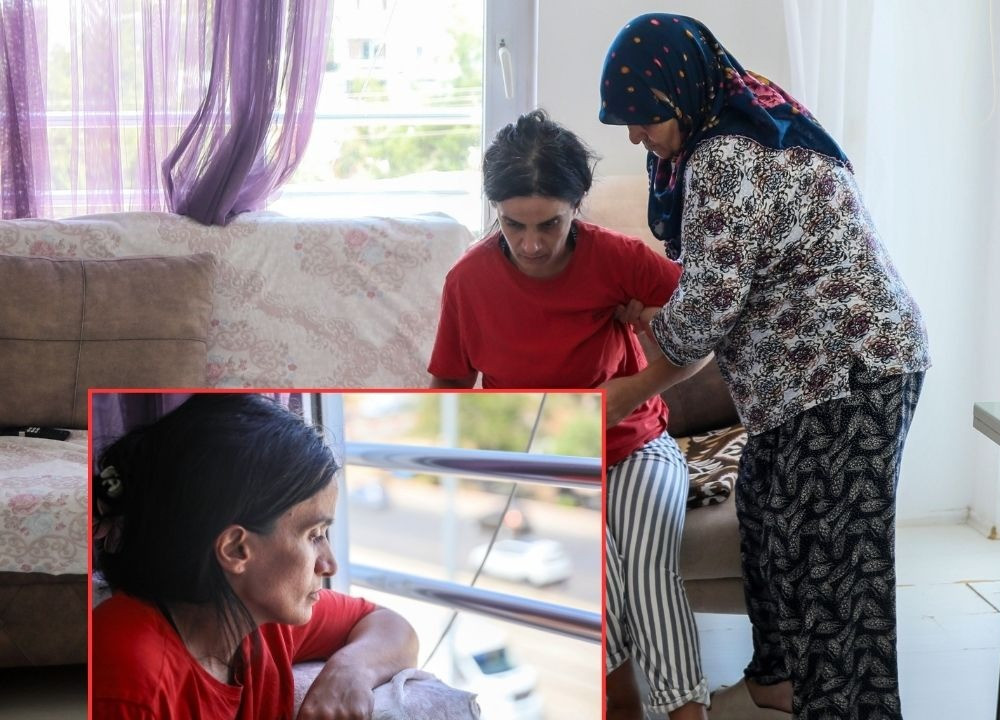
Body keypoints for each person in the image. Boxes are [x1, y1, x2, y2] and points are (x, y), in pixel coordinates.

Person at [599, 13, 931, 720]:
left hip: (849, 370)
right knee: (766, 512)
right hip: (806, 380)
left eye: (644, 116)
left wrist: (625, 394)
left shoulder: (724, 153)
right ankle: (777, 684)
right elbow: (736, 272)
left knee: (835, 575)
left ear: (679, 90)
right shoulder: (747, 111)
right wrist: (658, 313)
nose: (634, 135)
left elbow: (709, 309)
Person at [428, 109, 710, 720]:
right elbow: (448, 385)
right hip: (544, 463)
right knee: (592, 572)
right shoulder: (467, 282)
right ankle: (622, 705)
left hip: (636, 447)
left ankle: (689, 714)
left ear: (576, 206)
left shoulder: (619, 258)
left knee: (648, 564)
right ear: (495, 211)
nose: (531, 244)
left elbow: (703, 335)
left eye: (549, 224)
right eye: (513, 224)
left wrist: (637, 373)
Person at [92, 393, 419, 720]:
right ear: (236, 549)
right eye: (314, 535)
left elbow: (391, 626)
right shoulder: (129, 682)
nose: (328, 564)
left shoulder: (257, 617)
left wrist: (350, 670)